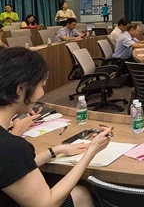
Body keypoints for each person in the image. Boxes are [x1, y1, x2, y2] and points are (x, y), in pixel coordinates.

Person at [0, 47, 113, 207]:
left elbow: (13, 168)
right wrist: (91, 151)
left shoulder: (9, 149)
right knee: (81, 192)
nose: (42, 93)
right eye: (41, 85)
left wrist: (55, 151)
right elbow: (48, 203)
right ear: (20, 89)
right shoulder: (11, 147)